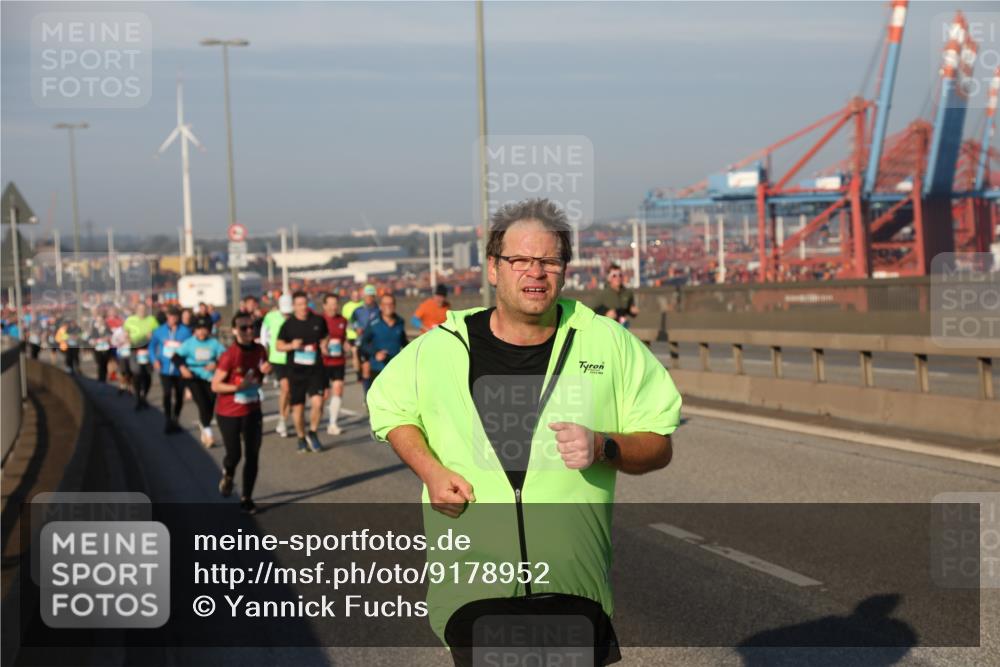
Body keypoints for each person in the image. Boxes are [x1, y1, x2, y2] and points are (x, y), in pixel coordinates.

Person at [367, 198, 681, 658]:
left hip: (575, 587)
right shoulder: (442, 348)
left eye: (550, 260)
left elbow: (659, 443)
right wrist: (430, 472)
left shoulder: (607, 342)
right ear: (493, 268)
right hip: (475, 589)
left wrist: (603, 446)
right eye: (520, 260)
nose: (536, 272)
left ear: (565, 270)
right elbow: (391, 408)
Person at [211, 312, 271, 515]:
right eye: (243, 328)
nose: (249, 331)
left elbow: (259, 376)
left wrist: (264, 371)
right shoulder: (230, 355)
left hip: (253, 410)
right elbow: (215, 385)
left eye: (251, 327)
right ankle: (228, 474)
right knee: (234, 455)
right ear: (235, 331)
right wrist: (238, 388)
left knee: (252, 455)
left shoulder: (261, 349)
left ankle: (247, 497)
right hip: (229, 412)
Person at [276, 290, 328, 453]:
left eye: (305, 303)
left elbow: (325, 336)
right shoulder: (288, 325)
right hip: (296, 372)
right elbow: (278, 345)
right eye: (299, 304)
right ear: (294, 307)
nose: (303, 307)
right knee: (297, 409)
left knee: (318, 403)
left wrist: (324, 344)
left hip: (315, 370)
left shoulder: (318, 320)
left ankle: (312, 432)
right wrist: (292, 346)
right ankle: (301, 437)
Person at [173, 316, 227, 447]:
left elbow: (226, 358)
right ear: (194, 330)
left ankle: (204, 425)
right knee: (202, 404)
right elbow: (176, 357)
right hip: (194, 377)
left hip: (210, 378)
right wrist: (182, 368)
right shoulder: (189, 343)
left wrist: (216, 363)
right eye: (198, 329)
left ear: (209, 330)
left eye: (204, 329)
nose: (201, 332)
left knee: (210, 404)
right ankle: (208, 433)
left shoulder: (214, 344)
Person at [149, 306, 192, 433]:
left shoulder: (185, 331)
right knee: (167, 394)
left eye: (175, 316)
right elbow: (152, 347)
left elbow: (190, 348)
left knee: (179, 395)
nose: (173, 319)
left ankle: (176, 418)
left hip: (180, 369)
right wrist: (154, 360)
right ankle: (168, 419)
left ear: (178, 318)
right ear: (167, 317)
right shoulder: (159, 331)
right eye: (170, 316)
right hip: (165, 368)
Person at [260, 293, 293, 437]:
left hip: (294, 358)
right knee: (285, 389)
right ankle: (282, 420)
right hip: (277, 358)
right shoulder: (270, 316)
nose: (286, 315)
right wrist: (264, 354)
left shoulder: (295, 317)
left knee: (292, 393)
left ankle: (284, 418)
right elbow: (263, 335)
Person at [320, 292, 350, 436]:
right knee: (323, 396)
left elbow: (344, 338)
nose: (333, 307)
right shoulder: (319, 320)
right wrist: (322, 346)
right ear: (324, 305)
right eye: (330, 304)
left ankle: (332, 424)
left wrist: (346, 346)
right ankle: (317, 421)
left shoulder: (343, 320)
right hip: (322, 363)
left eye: (335, 304)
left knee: (338, 389)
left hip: (338, 360)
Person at [360, 293, 407, 384]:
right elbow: (364, 344)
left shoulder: (400, 322)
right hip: (378, 368)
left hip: (395, 368)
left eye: (391, 304)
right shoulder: (373, 323)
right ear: (381, 306)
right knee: (377, 397)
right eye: (385, 304)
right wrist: (376, 353)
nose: (388, 306)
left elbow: (404, 343)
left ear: (394, 305)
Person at [124, 302, 159, 410]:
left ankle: (144, 396)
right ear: (136, 310)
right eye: (140, 309)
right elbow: (126, 332)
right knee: (137, 373)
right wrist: (127, 338)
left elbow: (157, 333)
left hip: (148, 349)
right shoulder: (130, 320)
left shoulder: (152, 320)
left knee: (148, 374)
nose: (142, 311)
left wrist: (152, 335)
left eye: (144, 309)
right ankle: (138, 397)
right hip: (135, 349)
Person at [349, 284, 381, 396]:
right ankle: (367, 396)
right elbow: (351, 322)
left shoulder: (379, 310)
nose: (369, 298)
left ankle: (376, 394)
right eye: (367, 296)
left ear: (374, 296)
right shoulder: (358, 311)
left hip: (376, 344)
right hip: (363, 343)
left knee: (377, 372)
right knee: (366, 369)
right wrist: (356, 327)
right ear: (363, 297)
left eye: (371, 296)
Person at [593, 263, 639, 327]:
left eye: (620, 275)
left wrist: (632, 311)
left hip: (622, 327)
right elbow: (592, 311)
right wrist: (605, 313)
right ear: (609, 278)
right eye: (614, 275)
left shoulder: (628, 292)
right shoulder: (602, 294)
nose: (618, 278)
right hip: (607, 328)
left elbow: (629, 309)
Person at [341, 288, 364, 380]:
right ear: (351, 296)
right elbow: (344, 322)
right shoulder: (346, 307)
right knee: (355, 353)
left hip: (363, 335)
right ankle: (358, 374)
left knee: (363, 355)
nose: (356, 297)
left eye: (357, 295)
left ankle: (364, 370)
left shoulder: (363, 304)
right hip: (352, 335)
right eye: (354, 295)